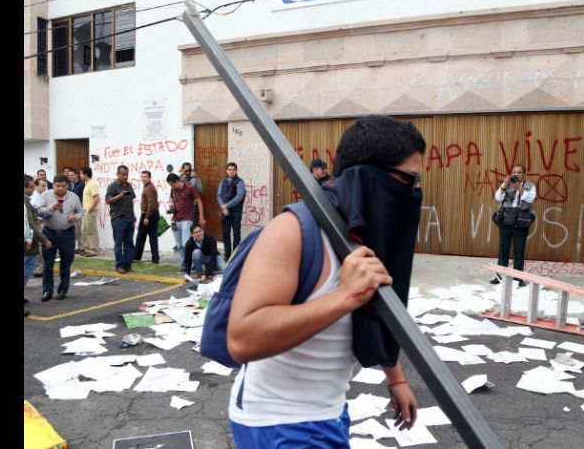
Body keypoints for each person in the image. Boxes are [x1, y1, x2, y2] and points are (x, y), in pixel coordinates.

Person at [227, 115, 423, 447]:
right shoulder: (295, 231)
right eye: (409, 180)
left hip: (330, 410)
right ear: (369, 177)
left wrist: (395, 378)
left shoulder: (365, 232)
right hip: (279, 422)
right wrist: (345, 296)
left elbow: (371, 314)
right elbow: (243, 339)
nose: (415, 192)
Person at [37, 174, 83, 301]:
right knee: (48, 263)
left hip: (67, 234)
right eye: (58, 186)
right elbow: (39, 211)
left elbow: (80, 211)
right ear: (53, 185)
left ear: (68, 185)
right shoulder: (45, 195)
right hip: (49, 233)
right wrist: (52, 208)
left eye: (63, 186)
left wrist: (75, 217)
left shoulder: (73, 197)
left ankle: (63, 290)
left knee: (66, 263)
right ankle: (47, 291)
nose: (60, 188)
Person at [491, 165, 537, 287]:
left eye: (519, 172)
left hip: (521, 222)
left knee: (519, 251)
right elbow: (497, 197)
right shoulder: (507, 184)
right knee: (503, 251)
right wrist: (504, 185)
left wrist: (520, 188)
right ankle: (499, 276)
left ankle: (518, 278)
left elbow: (530, 199)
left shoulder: (530, 186)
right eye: (514, 172)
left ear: (524, 174)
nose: (516, 174)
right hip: (506, 221)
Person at [167, 173, 206, 273]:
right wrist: (171, 204)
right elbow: (170, 198)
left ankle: (191, 264)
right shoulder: (173, 189)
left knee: (186, 244)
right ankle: (184, 264)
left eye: (172, 184)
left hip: (187, 220)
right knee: (179, 245)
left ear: (177, 181)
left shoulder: (190, 188)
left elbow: (199, 201)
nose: (171, 187)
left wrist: (201, 217)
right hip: (175, 220)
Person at [24, 175, 52, 313]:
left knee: (30, 265)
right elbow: (29, 224)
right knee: (29, 266)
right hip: (27, 242)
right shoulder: (25, 203)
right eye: (30, 187)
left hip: (28, 241)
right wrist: (44, 240)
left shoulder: (27, 201)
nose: (33, 189)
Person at [105, 165, 137, 274]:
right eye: (123, 174)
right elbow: (108, 201)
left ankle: (127, 265)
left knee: (129, 243)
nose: (125, 176)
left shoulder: (129, 186)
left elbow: (130, 200)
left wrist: (133, 214)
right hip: (118, 219)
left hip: (129, 218)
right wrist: (120, 195)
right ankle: (119, 265)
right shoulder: (112, 186)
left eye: (126, 174)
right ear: (118, 174)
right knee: (118, 244)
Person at [217, 162, 245, 260]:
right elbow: (219, 196)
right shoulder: (223, 181)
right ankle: (227, 254)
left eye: (233, 170)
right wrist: (223, 207)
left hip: (235, 212)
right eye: (229, 170)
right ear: (226, 171)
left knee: (236, 233)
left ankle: (235, 255)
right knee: (225, 233)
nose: (231, 171)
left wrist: (226, 206)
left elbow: (239, 197)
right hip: (224, 211)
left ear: (236, 171)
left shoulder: (240, 182)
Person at [134, 170, 160, 264]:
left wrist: (147, 217)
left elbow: (151, 204)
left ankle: (136, 257)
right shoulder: (149, 187)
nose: (143, 178)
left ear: (150, 178)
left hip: (148, 215)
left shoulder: (148, 188)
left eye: (146, 177)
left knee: (141, 237)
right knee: (152, 237)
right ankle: (155, 259)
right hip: (153, 214)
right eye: (142, 177)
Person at [79, 167, 101, 257]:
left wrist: (89, 210)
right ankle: (86, 249)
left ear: (86, 174)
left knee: (91, 230)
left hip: (90, 211)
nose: (80, 175)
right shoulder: (87, 183)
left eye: (81, 173)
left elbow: (97, 198)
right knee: (84, 230)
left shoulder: (92, 183)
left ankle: (94, 250)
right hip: (86, 210)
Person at [67, 167, 85, 254]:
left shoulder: (81, 184)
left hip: (78, 210)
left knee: (80, 230)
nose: (70, 177)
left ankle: (82, 248)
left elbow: (83, 198)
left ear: (76, 175)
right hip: (71, 211)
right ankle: (79, 247)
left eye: (72, 175)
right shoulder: (69, 185)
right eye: (69, 175)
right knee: (75, 231)